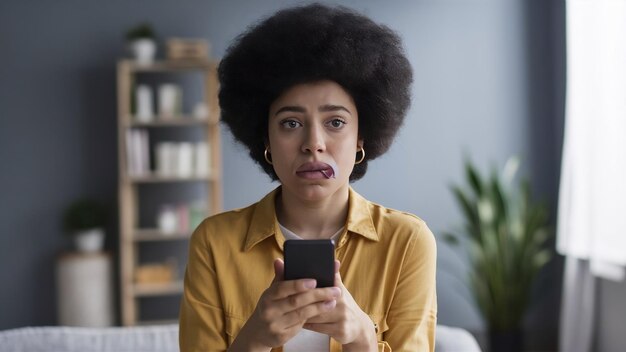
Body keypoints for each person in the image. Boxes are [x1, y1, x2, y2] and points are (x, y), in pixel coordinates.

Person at [179, 3, 437, 351]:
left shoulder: (407, 242)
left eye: (335, 122)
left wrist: (362, 337)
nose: (314, 145)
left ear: (361, 137)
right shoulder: (214, 243)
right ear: (266, 139)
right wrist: (252, 339)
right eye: (291, 123)